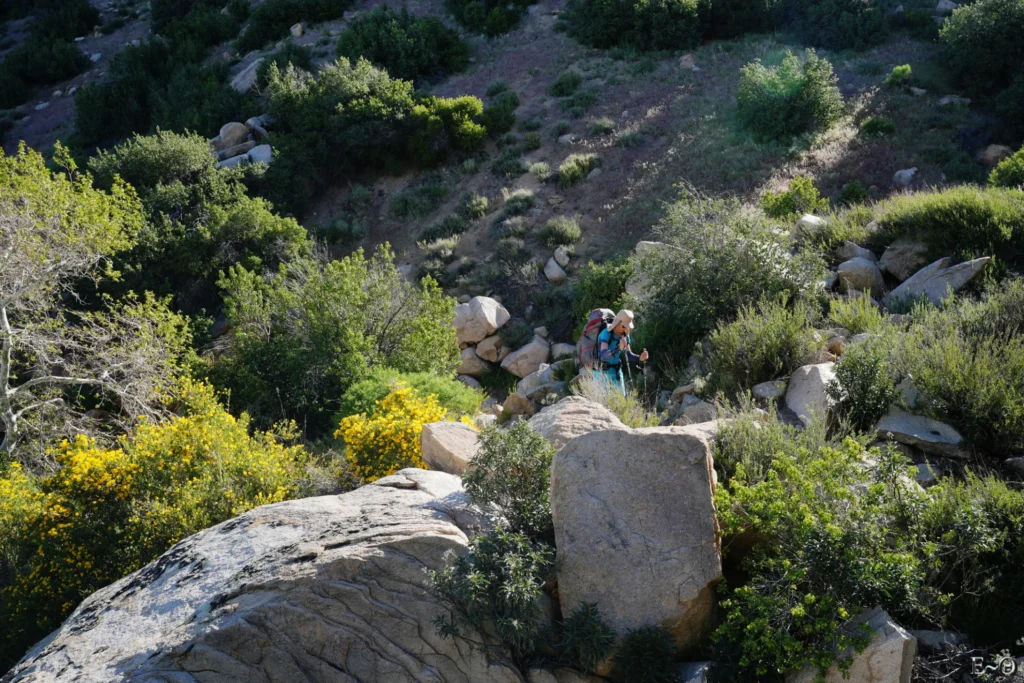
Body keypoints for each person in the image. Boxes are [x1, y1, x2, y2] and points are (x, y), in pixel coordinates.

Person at [596, 309, 649, 395]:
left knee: (621, 401)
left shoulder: (625, 337)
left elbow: (629, 355)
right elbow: (603, 355)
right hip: (602, 374)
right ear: (617, 323)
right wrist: (618, 348)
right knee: (604, 402)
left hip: (617, 373)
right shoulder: (606, 333)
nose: (625, 330)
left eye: (627, 327)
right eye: (623, 326)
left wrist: (640, 358)